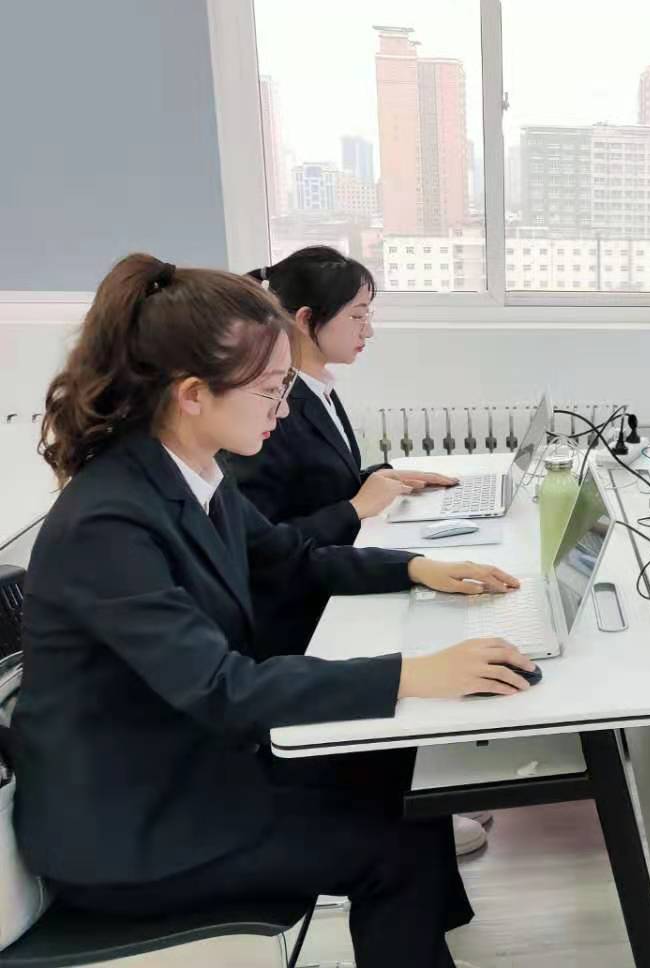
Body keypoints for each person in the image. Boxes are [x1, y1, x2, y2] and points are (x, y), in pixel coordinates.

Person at [13, 254, 532, 967]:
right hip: (128, 831)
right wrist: (414, 673)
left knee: (395, 779)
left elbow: (292, 556)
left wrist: (416, 567)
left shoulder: (191, 475)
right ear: (193, 394)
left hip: (182, 772)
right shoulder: (109, 522)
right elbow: (222, 688)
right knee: (396, 847)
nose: (284, 409)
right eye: (269, 390)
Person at [227, 248, 492, 855]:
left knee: (437, 608)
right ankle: (403, 816)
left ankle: (416, 804)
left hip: (323, 573)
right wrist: (356, 508)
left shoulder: (317, 389)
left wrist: (386, 478)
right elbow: (267, 543)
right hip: (299, 611)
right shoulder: (273, 411)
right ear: (304, 319)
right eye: (358, 315)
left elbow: (325, 484)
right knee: (428, 641)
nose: (368, 330)